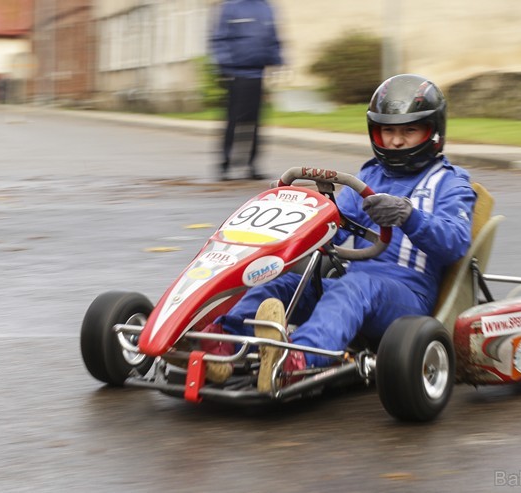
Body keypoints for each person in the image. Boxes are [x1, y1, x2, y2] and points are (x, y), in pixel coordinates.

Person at [200, 74, 477, 391]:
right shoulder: (371, 174)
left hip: (408, 300)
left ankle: (296, 360)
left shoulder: (451, 182)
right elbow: (333, 225)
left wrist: (409, 216)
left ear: (433, 132)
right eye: (388, 131)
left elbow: (456, 241)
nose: (397, 141)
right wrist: (295, 222)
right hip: (353, 288)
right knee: (279, 279)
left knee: (356, 285)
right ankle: (221, 346)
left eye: (409, 131)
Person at [210, 0, 282, 181]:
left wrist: (277, 61)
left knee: (256, 123)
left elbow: (273, 38)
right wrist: (225, 65)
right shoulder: (230, 7)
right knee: (234, 121)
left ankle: (252, 165)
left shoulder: (266, 8)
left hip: (258, 73)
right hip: (236, 73)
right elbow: (219, 39)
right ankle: (225, 164)